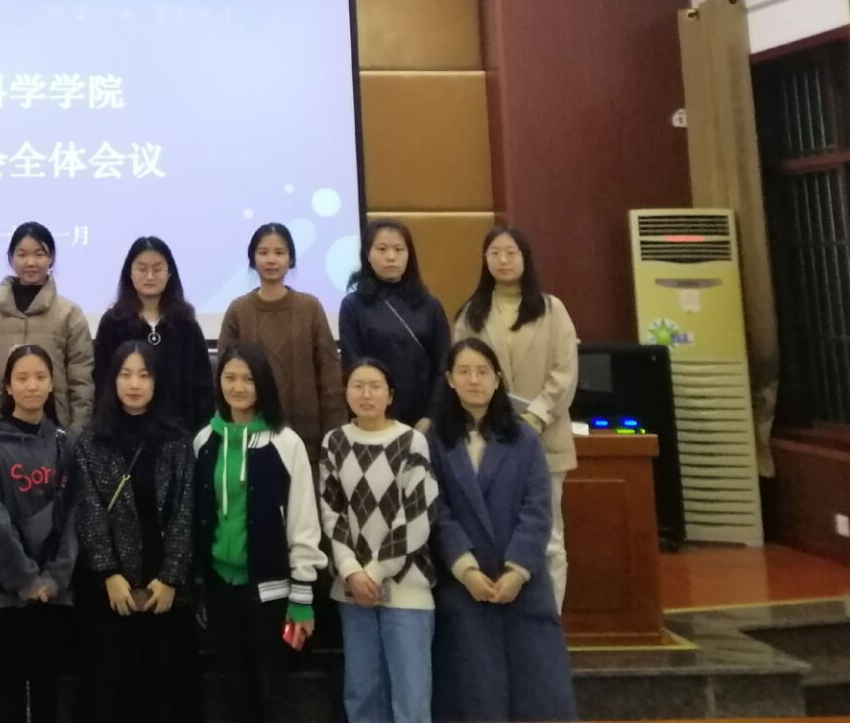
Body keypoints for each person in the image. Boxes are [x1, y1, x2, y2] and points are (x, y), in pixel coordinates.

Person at [426, 340, 576, 723]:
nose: (474, 380)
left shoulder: (524, 438)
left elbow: (537, 508)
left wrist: (518, 571)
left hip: (522, 583)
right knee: (475, 691)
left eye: (482, 372)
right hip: (465, 583)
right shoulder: (435, 442)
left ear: (497, 380)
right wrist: (466, 569)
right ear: (450, 380)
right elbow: (436, 510)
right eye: (464, 372)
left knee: (538, 691)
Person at [191, 342, 325, 723]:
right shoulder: (204, 441)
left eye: (248, 379)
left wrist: (302, 599)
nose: (238, 387)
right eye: (229, 377)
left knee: (273, 695)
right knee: (236, 692)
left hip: (271, 593)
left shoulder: (286, 442)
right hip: (221, 590)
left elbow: (303, 521)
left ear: (263, 384)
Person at [451, 225, 579, 611]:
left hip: (545, 437)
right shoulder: (471, 313)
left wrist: (535, 419)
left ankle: (549, 619)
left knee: (549, 538)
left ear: (525, 258)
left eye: (511, 253)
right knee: (496, 534)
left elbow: (565, 371)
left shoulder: (552, 309)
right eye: (494, 253)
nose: (503, 260)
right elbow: (461, 370)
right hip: (487, 439)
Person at [71, 339, 200, 723]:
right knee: (110, 691)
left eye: (144, 375)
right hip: (110, 592)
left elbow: (185, 511)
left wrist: (171, 577)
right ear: (112, 380)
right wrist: (108, 573)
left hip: (165, 591)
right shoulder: (92, 440)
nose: (134, 384)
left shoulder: (177, 440)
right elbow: (89, 511)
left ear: (157, 381)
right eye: (125, 374)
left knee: (163, 692)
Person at [319, 359, 439, 723]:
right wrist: (352, 572)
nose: (366, 394)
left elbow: (417, 516)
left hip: (407, 587)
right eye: (358, 386)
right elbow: (332, 514)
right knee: (362, 693)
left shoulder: (411, 441)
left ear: (390, 395)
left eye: (375, 386)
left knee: (411, 698)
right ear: (346, 393)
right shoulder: (334, 442)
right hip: (353, 590)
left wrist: (374, 571)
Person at [0, 343, 79, 723]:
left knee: (47, 694)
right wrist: (25, 579)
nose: (32, 385)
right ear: (8, 386)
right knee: (2, 698)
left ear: (52, 384)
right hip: (3, 595)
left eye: (40, 377)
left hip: (53, 594)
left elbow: (74, 516)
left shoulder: (66, 444)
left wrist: (54, 578)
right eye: (22, 378)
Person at [216, 223, 344, 456]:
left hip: (307, 439)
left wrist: (334, 436)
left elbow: (330, 376)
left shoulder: (310, 307)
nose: (271, 260)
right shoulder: (238, 310)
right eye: (263, 252)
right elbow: (223, 376)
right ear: (253, 259)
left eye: (279, 252)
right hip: (250, 438)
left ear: (291, 259)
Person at [0, 221, 96, 429]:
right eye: (22, 254)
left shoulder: (69, 314)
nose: (30, 262)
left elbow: (81, 379)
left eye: (39, 254)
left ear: (51, 257)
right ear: (11, 258)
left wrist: (76, 434)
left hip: (53, 428)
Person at [92, 237, 214, 438]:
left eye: (157, 269)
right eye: (142, 269)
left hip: (179, 432)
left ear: (169, 273)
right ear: (129, 272)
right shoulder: (113, 323)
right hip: (122, 433)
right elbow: (102, 382)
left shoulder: (185, 323)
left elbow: (202, 385)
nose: (149, 276)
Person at [338, 220, 449, 429]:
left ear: (409, 255)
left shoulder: (430, 305)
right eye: (382, 249)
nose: (391, 256)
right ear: (367, 255)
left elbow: (443, 364)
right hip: (373, 416)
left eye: (399, 249)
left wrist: (431, 416)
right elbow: (353, 366)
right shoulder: (353, 305)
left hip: (424, 419)